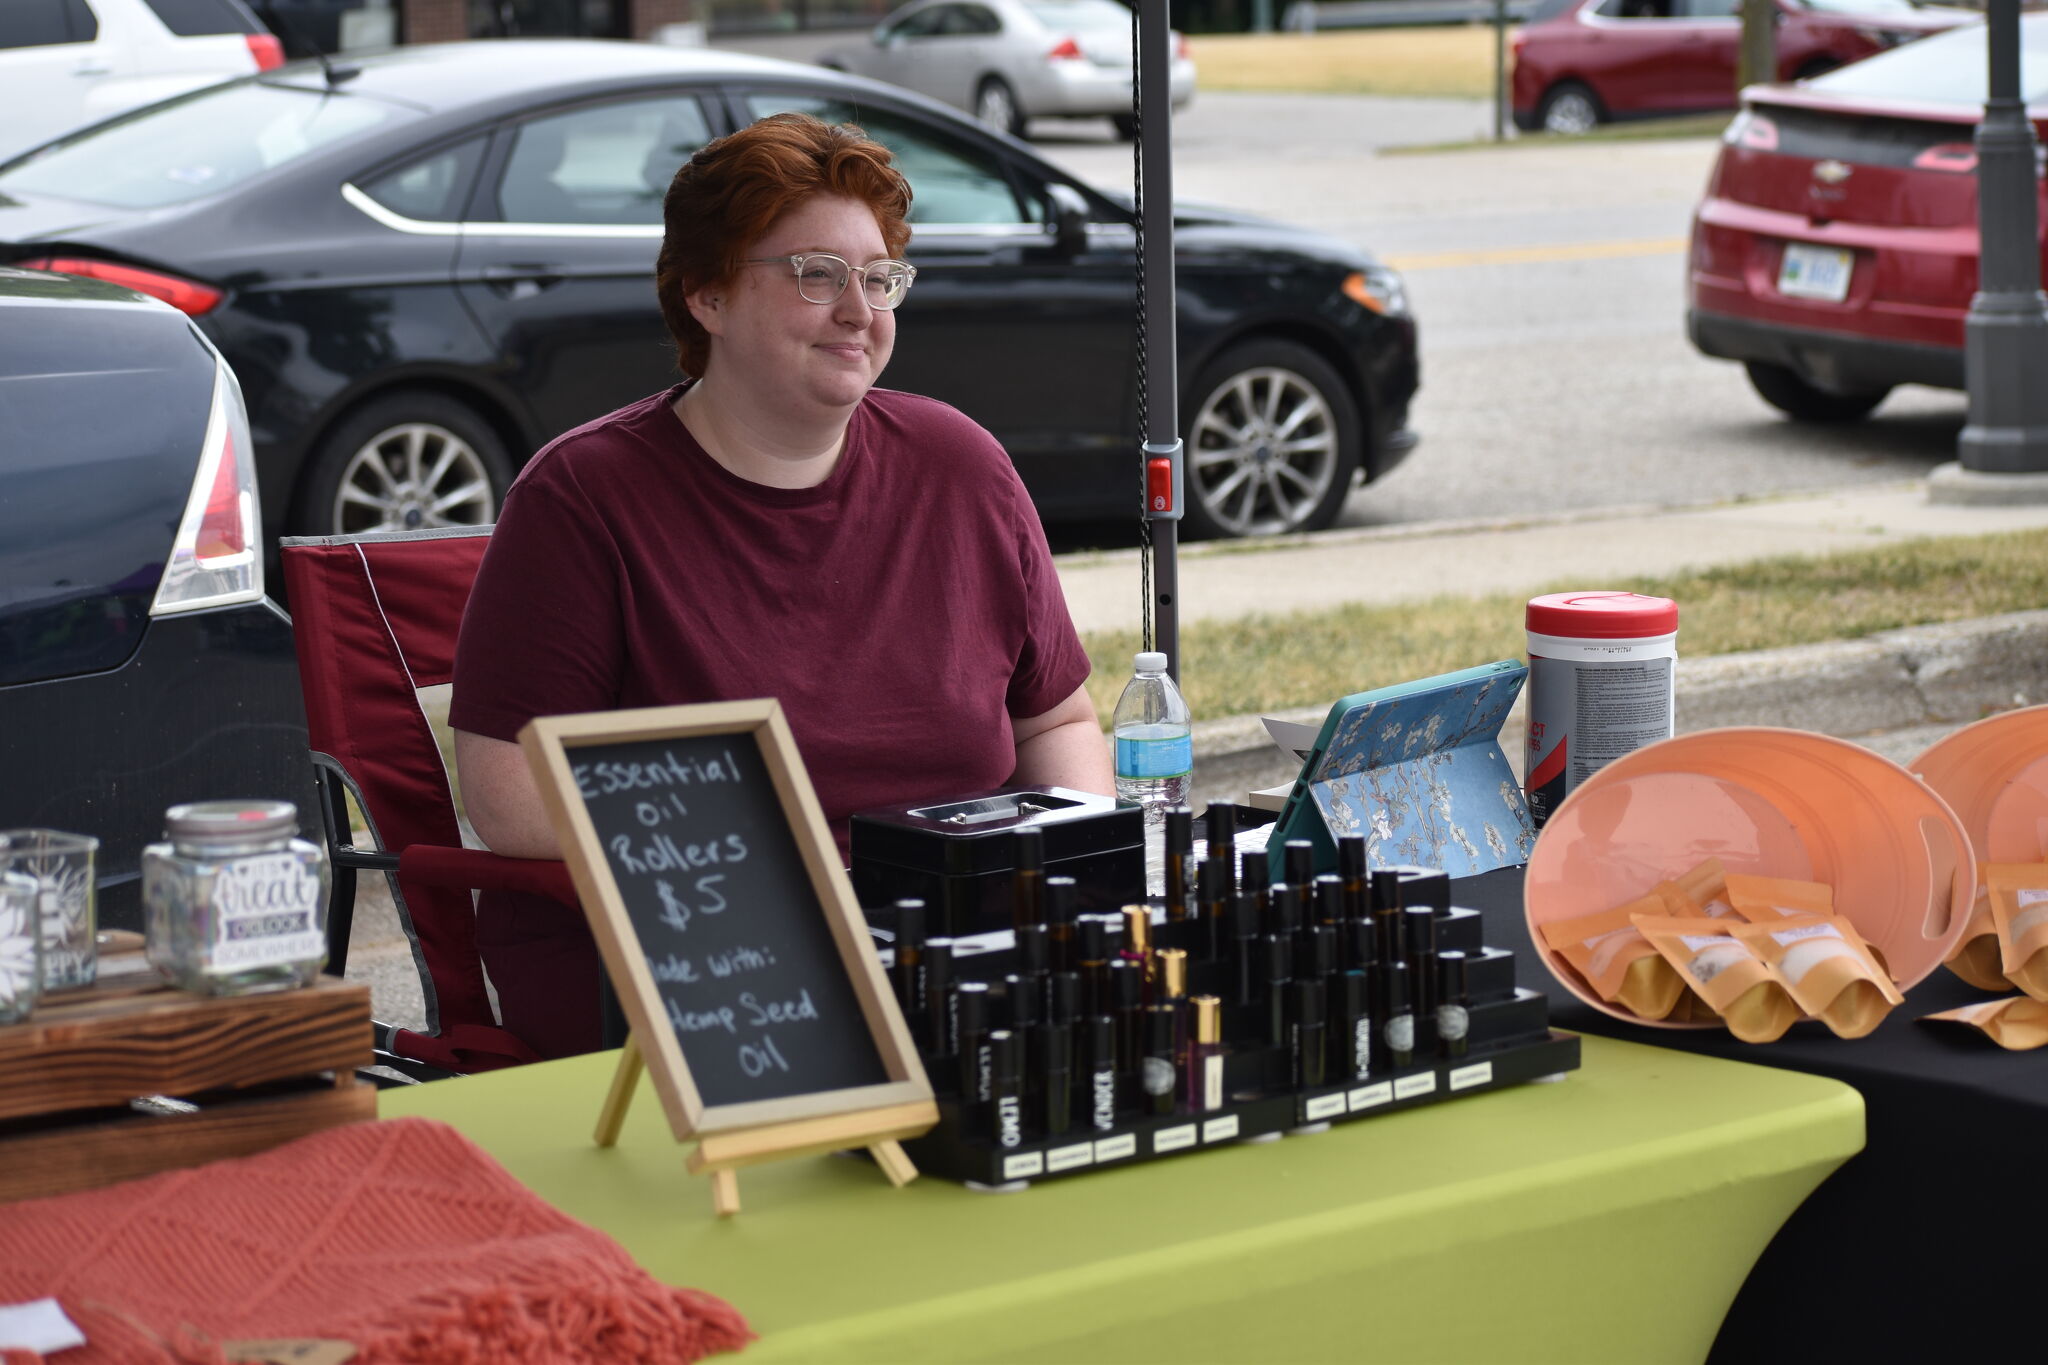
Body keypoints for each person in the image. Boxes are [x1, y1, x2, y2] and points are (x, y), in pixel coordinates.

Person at [449, 113, 1113, 1059]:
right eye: (816, 274)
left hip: (959, 950)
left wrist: (1072, 869)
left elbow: (1056, 722)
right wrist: (763, 869)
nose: (860, 310)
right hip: (693, 984)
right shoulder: (584, 498)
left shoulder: (960, 466)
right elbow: (508, 794)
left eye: (880, 279)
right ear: (707, 295)